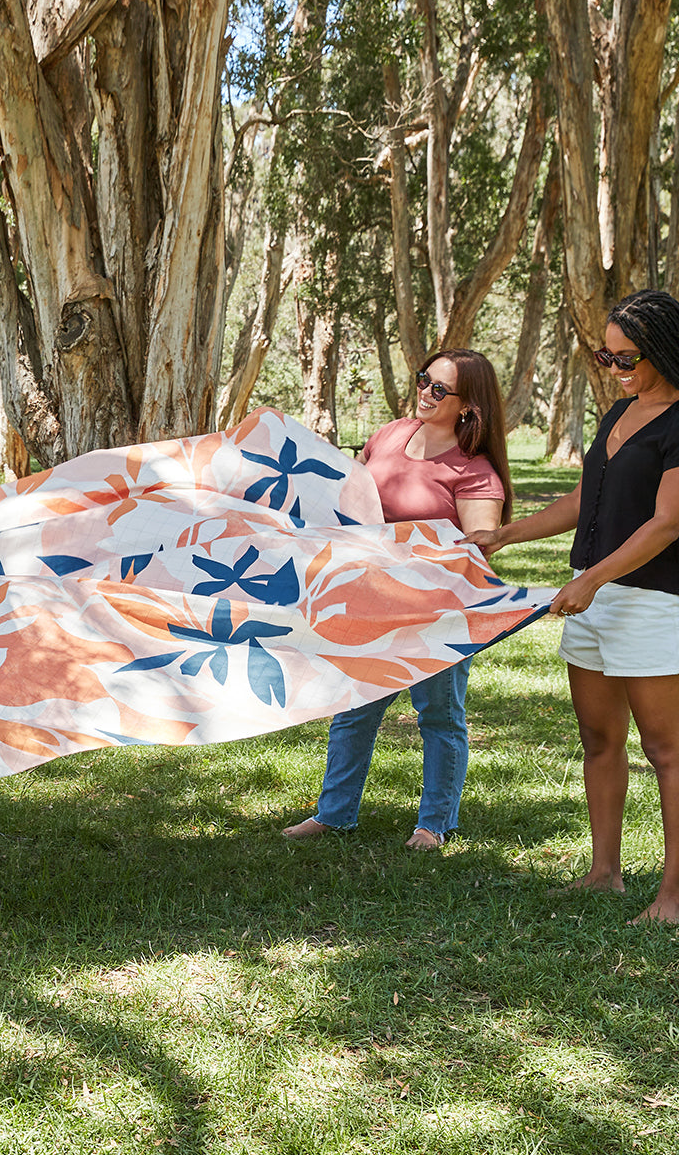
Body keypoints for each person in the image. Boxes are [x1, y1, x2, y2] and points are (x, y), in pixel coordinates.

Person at [466, 290, 679, 924]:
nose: (614, 369)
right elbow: (585, 498)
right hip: (596, 596)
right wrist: (508, 533)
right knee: (598, 738)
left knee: (666, 750)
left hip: (653, 601)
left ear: (665, 350)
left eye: (626, 357)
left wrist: (592, 581)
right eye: (605, 356)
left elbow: (668, 522)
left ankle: (673, 894)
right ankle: (605, 873)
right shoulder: (620, 415)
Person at [284, 349, 512, 850]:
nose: (425, 393)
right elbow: (347, 494)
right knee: (354, 709)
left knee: (439, 716)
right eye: (423, 380)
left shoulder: (473, 471)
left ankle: (434, 823)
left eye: (439, 389)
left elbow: (479, 547)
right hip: (367, 598)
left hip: (435, 612)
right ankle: (334, 813)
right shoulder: (391, 434)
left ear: (468, 406)